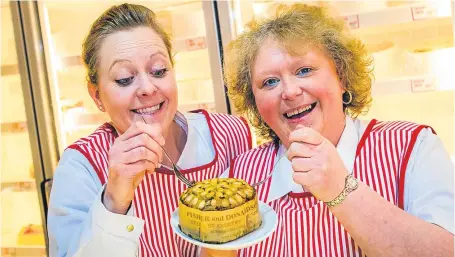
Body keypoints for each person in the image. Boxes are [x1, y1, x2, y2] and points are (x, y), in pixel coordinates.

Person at [222, 3, 454, 257]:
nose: (289, 91)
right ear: (254, 102)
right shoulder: (238, 179)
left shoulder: (411, 147)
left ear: (341, 76)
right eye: (270, 82)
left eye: (304, 70)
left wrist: (340, 189)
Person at [47, 3, 252, 257]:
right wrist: (114, 200)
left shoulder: (229, 135)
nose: (147, 88)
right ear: (96, 95)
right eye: (124, 79)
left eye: (159, 71)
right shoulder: (82, 166)